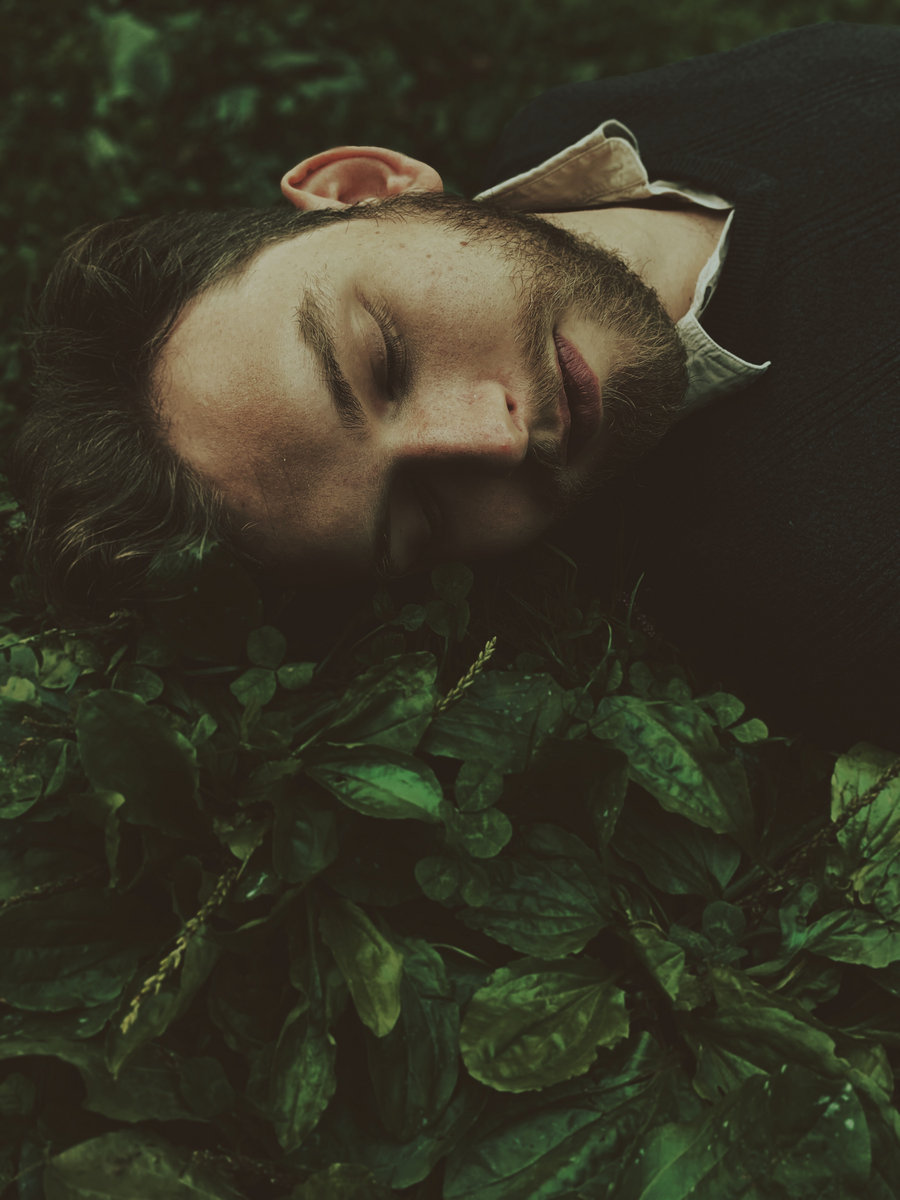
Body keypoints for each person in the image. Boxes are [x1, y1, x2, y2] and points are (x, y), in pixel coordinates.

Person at [9, 21, 899, 750]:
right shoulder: (838, 600)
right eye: (423, 517)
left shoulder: (576, 123)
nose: (494, 439)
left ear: (365, 188)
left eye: (386, 358)